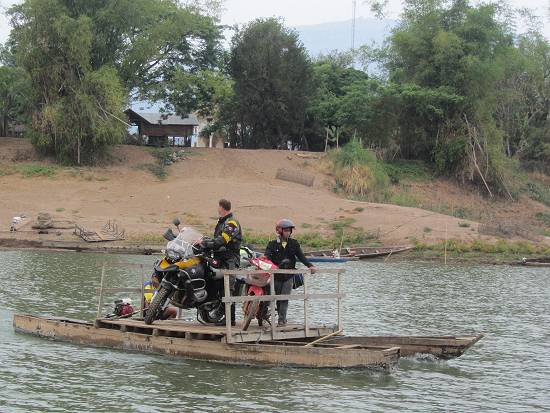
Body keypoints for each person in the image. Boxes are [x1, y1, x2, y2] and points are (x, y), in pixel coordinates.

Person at [265, 218, 316, 327]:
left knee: (285, 297)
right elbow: (267, 257)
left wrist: (310, 265)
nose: (288, 232)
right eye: (286, 230)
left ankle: (282, 320)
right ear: (280, 231)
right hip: (276, 276)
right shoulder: (272, 244)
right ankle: (280, 317)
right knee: (278, 297)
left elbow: (301, 256)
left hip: (289, 276)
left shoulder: (294, 243)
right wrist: (263, 259)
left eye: (289, 230)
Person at [199, 198, 242, 326]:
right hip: (219, 258)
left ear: (222, 207)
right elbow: (216, 239)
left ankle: (231, 319)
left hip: (230, 260)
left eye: (218, 207)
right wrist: (204, 242)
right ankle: (212, 310)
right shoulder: (222, 221)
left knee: (228, 288)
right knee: (215, 284)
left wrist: (207, 243)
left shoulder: (232, 223)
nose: (217, 209)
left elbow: (223, 240)